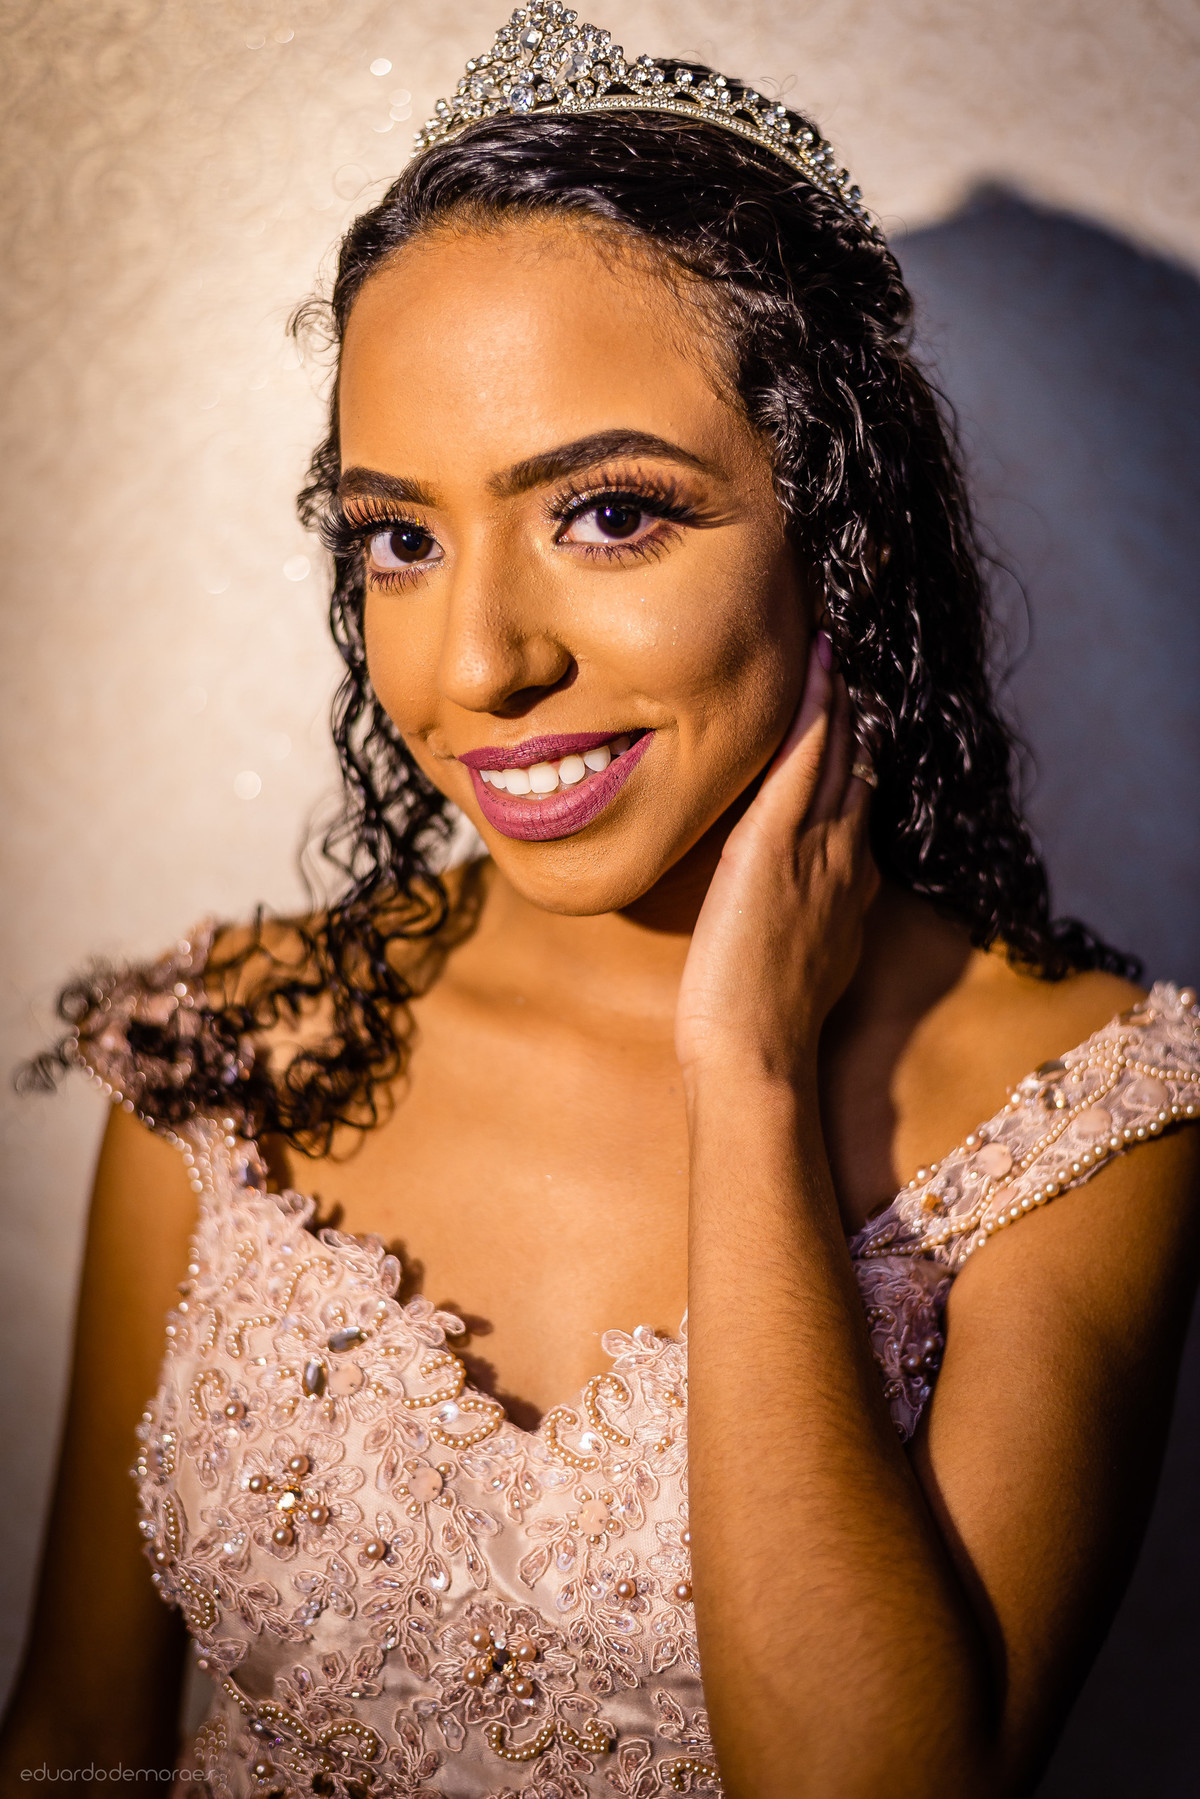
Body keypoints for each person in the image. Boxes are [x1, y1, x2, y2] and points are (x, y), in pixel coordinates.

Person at [3, 5, 1199, 1795]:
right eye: (400, 537)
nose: (479, 663)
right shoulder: (237, 1049)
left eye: (612, 515)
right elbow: (78, 1739)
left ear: (841, 534)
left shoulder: (1082, 1117)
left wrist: (753, 1076)